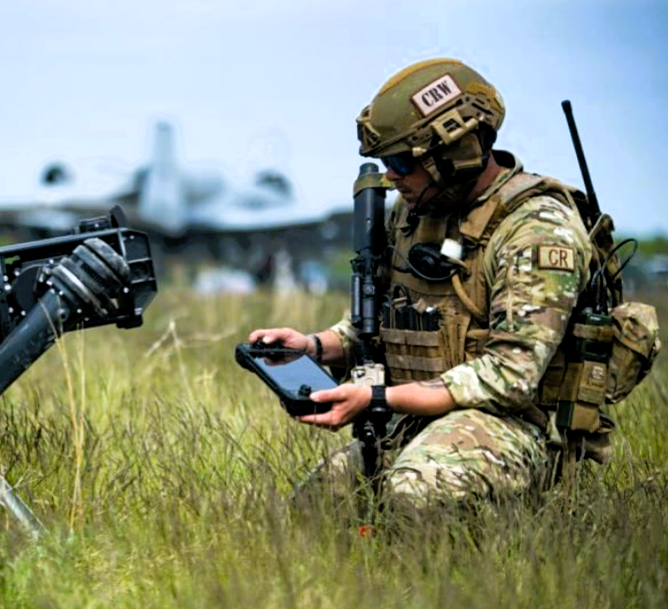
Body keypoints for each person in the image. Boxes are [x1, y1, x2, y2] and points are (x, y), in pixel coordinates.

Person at [250, 57, 613, 512]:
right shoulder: (413, 212)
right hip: (420, 416)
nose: (391, 175)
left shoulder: (537, 229)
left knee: (416, 493)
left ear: (455, 152)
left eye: (402, 161)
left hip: (519, 427)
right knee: (317, 506)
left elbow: (511, 377)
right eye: (385, 162)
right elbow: (378, 323)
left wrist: (378, 397)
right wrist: (313, 347)